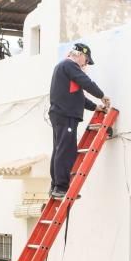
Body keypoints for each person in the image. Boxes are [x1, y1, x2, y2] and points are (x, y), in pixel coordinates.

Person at [48, 42, 110, 199]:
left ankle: (55, 186)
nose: (86, 65)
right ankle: (61, 187)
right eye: (87, 61)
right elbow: (86, 83)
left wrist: (96, 107)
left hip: (61, 114)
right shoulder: (69, 65)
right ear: (81, 55)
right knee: (66, 150)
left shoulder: (63, 68)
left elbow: (78, 97)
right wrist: (102, 95)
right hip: (66, 115)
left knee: (59, 149)